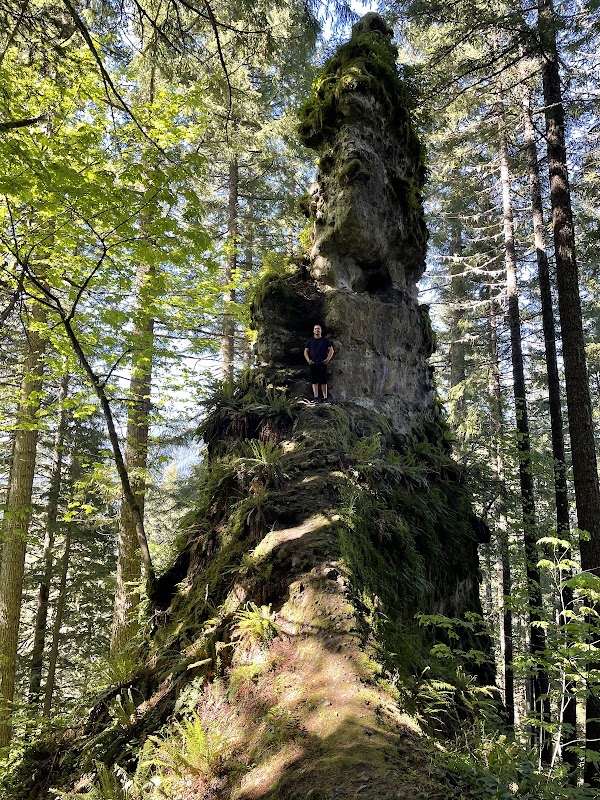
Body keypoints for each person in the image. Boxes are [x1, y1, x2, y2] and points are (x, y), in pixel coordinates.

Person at [304, 324, 334, 402]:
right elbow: (306, 351)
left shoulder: (325, 340)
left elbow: (331, 350)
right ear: (313, 331)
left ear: (321, 330)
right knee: (314, 381)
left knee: (323, 381)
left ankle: (325, 398)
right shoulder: (310, 341)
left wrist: (328, 359)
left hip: (322, 363)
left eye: (318, 329)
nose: (317, 330)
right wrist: (308, 360)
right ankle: (316, 398)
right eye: (315, 329)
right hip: (313, 363)